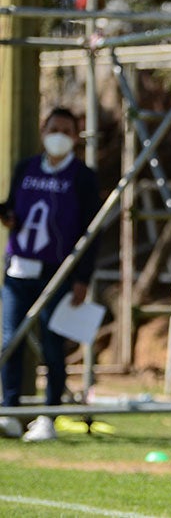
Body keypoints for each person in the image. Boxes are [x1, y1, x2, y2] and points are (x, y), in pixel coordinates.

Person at [0, 107, 99, 442]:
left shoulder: (82, 176)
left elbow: (90, 230)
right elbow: (13, 206)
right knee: (10, 340)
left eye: (66, 130)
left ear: (75, 136)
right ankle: (10, 410)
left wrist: (83, 278)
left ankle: (48, 416)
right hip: (18, 269)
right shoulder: (25, 168)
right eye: (53, 128)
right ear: (43, 130)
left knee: (52, 345)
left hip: (58, 273)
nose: (58, 135)